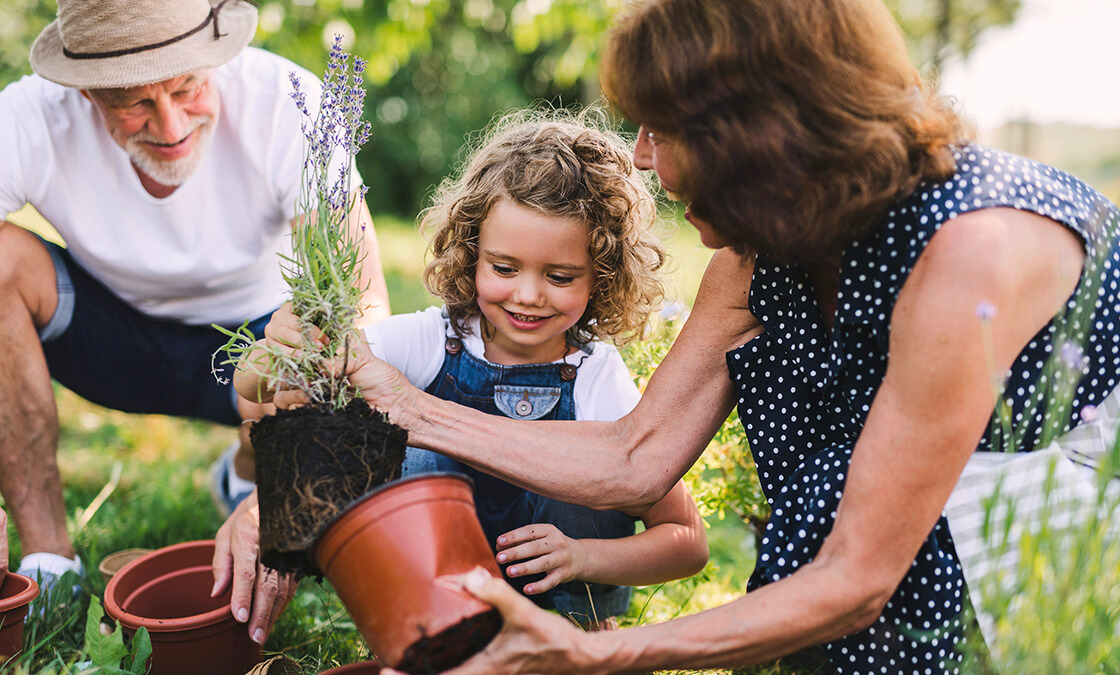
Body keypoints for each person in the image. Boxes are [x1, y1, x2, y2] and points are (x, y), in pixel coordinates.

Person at [225, 0, 1120, 672]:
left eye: (665, 128)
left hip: (1038, 542)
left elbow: (856, 576)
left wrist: (601, 653)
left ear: (757, 133)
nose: (643, 157)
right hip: (875, 549)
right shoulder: (772, 234)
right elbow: (635, 456)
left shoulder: (969, 254)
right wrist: (277, 500)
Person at [0, 0, 389, 608]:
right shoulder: (28, 116)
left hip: (253, 348)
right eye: (133, 103)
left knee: (319, 341)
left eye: (188, 87)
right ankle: (51, 563)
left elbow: (366, 310)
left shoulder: (286, 102)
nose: (170, 127)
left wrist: (281, 487)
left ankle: (245, 475)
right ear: (86, 92)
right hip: (107, 338)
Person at [220, 112, 709, 637]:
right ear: (472, 254)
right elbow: (260, 386)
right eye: (503, 268)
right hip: (437, 595)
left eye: (560, 276)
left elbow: (686, 541)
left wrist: (584, 557)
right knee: (411, 453)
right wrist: (275, 351)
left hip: (558, 605)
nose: (527, 294)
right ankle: (426, 627)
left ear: (602, 275)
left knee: (589, 469)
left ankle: (580, 631)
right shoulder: (432, 339)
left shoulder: (596, 377)